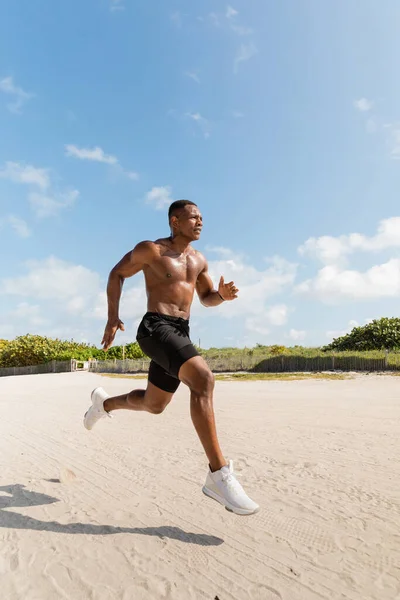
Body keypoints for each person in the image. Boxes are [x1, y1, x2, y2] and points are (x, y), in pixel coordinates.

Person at [83, 200, 259, 516]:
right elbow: (117, 273)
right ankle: (218, 475)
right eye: (194, 217)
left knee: (155, 404)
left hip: (180, 331)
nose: (200, 222)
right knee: (203, 379)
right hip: (155, 327)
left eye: (203, 217)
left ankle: (104, 405)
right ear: (175, 221)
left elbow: (205, 298)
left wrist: (222, 296)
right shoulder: (151, 250)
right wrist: (113, 317)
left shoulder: (199, 260)